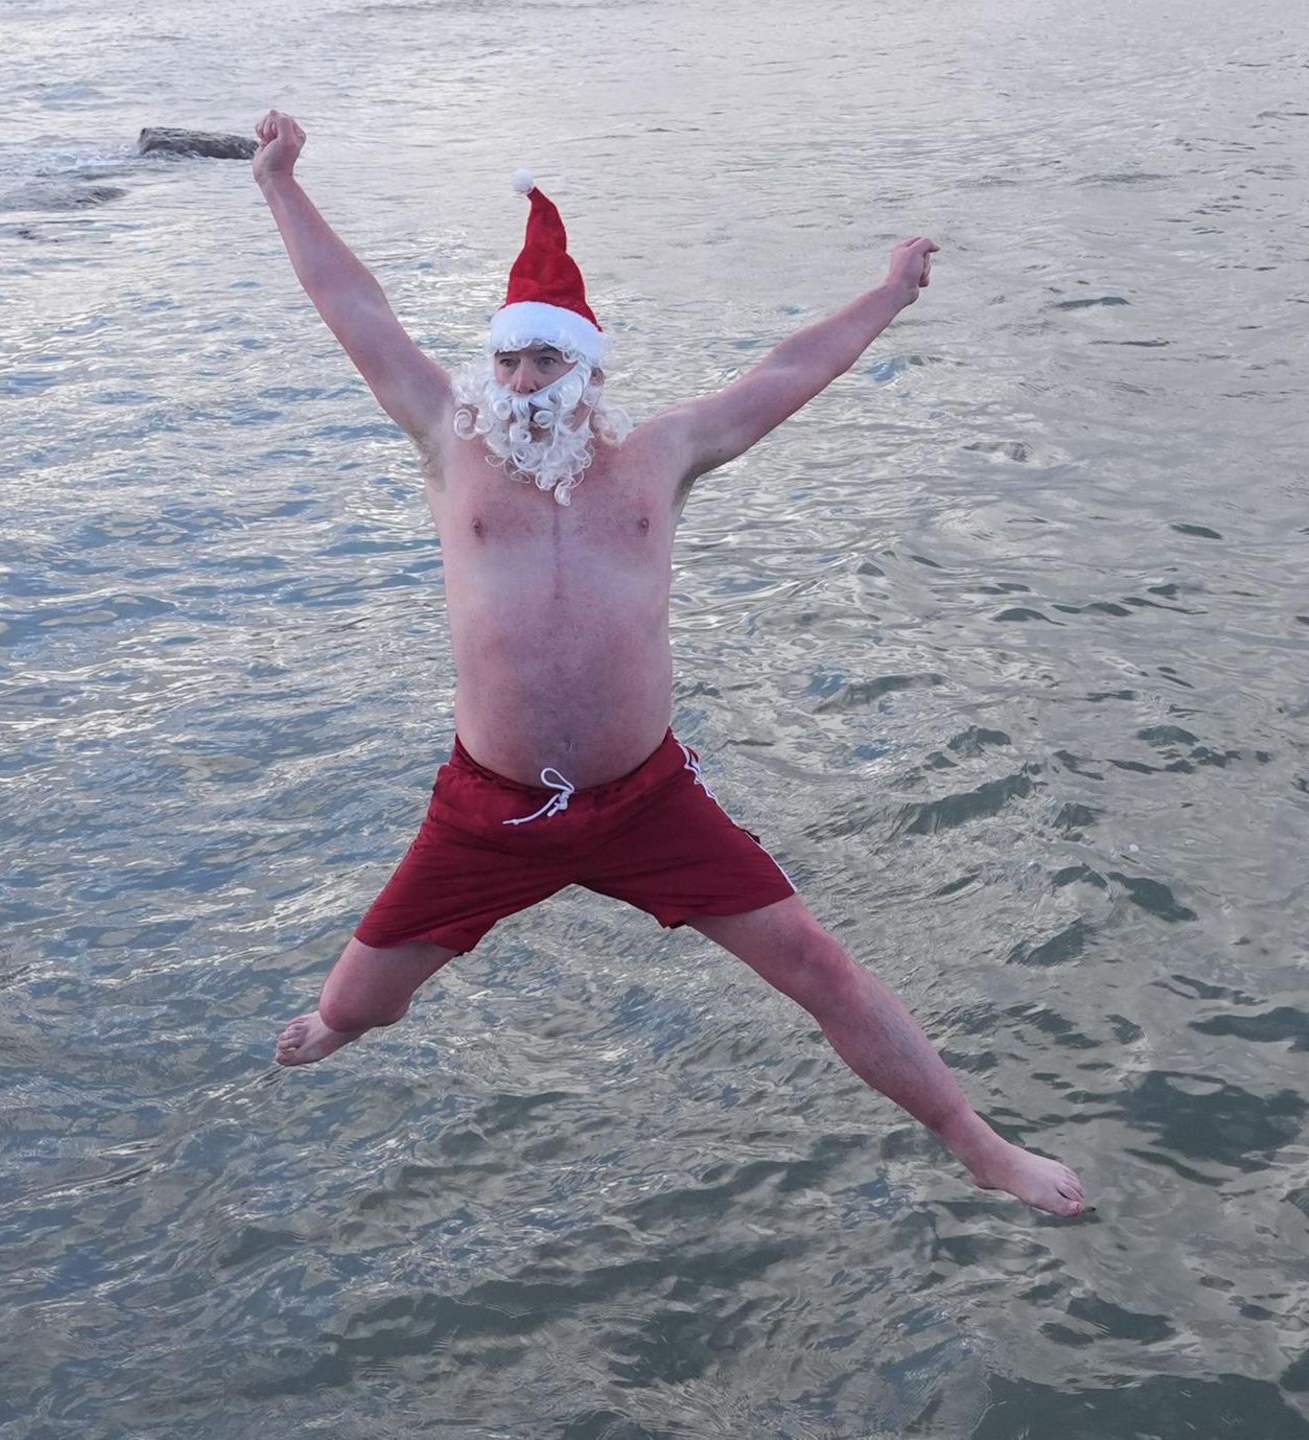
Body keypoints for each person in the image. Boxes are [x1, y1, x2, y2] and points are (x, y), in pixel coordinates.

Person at [253, 109, 1087, 1218]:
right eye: (507, 356)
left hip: (647, 801)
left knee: (819, 968)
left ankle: (978, 1142)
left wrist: (890, 291)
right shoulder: (450, 440)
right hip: (488, 808)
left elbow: (789, 372)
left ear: (588, 368)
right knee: (357, 1007)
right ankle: (343, 1023)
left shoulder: (660, 455)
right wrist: (279, 184)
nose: (523, 377)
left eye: (547, 356)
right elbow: (352, 308)